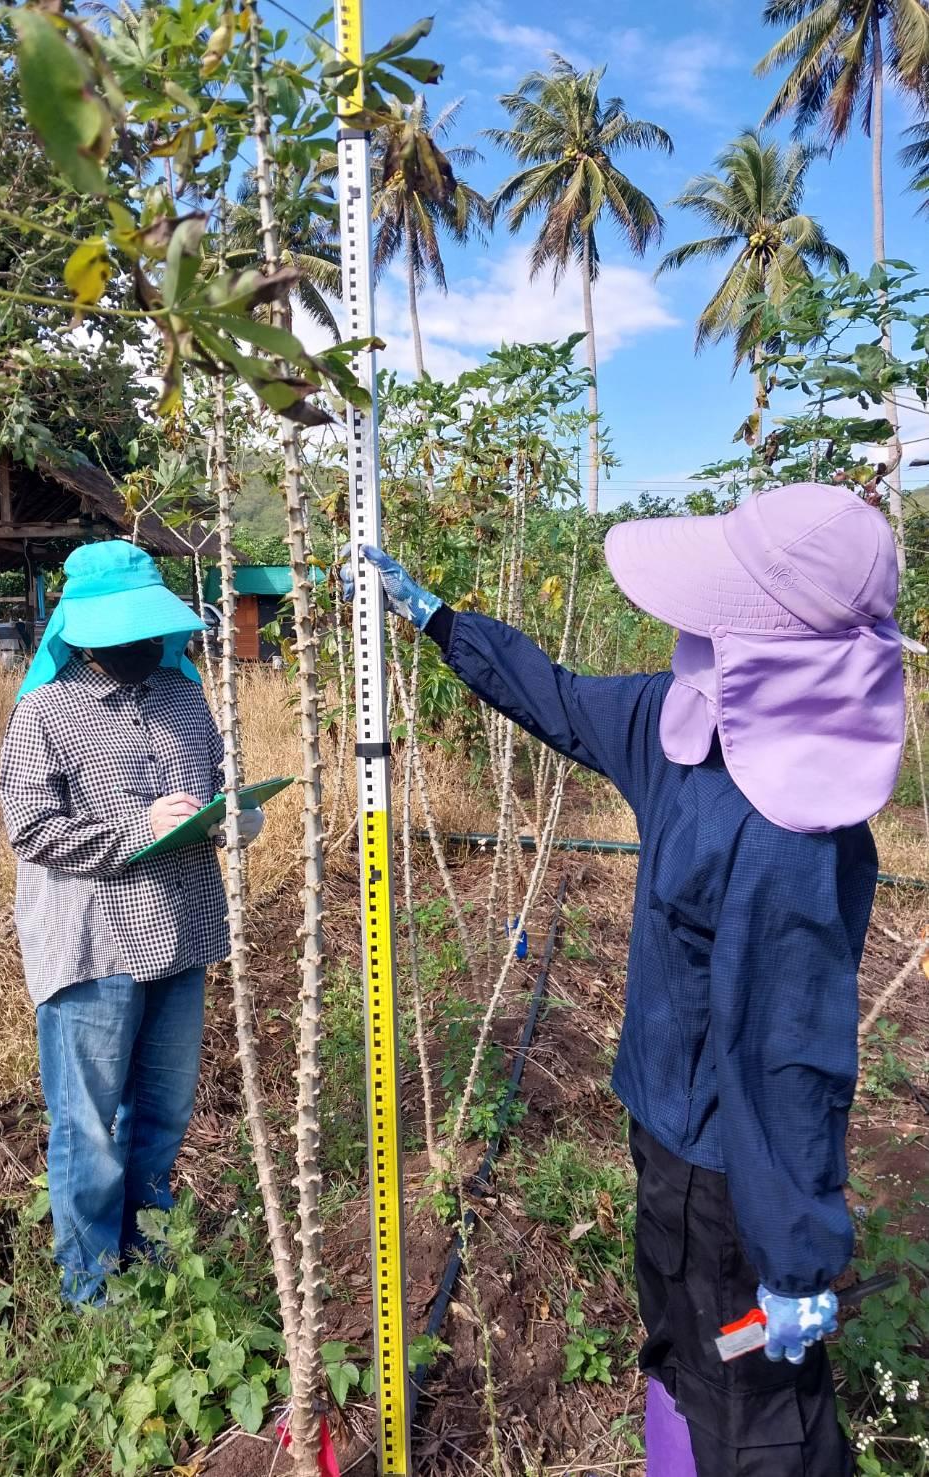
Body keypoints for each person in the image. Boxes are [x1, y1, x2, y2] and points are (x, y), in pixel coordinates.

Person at [345, 483, 917, 1477]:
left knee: (726, 1385)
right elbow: (558, 697)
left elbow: (778, 1060)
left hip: (701, 1158)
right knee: (734, 1391)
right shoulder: (684, 731)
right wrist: (446, 625)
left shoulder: (755, 810)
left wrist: (789, 1252)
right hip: (702, 1157)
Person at [1, 540, 262, 1305]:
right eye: (123, 632)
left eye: (150, 628)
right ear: (80, 634)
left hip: (179, 933)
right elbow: (32, 828)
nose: (141, 645)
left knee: (162, 1110)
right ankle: (88, 1284)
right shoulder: (46, 712)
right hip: (92, 944)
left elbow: (216, 784)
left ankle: (150, 1244)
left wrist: (233, 818)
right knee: (87, 1124)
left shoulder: (184, 698)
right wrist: (137, 824)